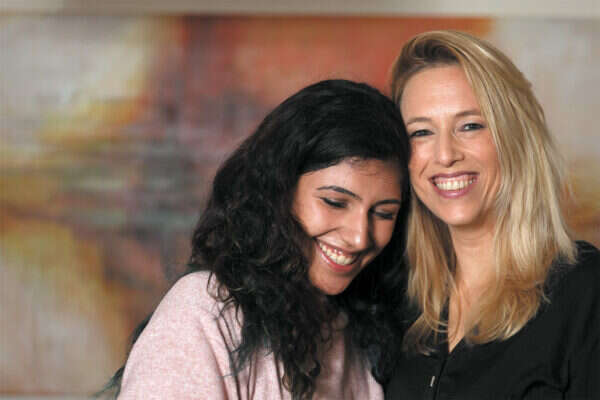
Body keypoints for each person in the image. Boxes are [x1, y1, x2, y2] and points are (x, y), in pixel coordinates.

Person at [102, 79, 411, 399]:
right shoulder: (203, 312)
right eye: (334, 202)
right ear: (279, 190)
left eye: (384, 213)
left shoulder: (351, 336)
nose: (359, 237)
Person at [385, 30, 600, 399]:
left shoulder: (585, 292)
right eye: (421, 132)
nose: (445, 154)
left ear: (513, 137)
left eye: (470, 125)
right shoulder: (399, 301)